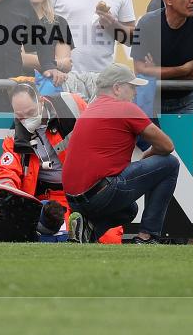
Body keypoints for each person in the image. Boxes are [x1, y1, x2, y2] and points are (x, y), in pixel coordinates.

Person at [62, 64, 179, 244]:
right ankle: (147, 236)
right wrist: (148, 154)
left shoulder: (90, 109)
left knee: (128, 210)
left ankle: (86, 229)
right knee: (170, 164)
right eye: (132, 87)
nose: (135, 93)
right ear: (117, 88)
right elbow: (167, 145)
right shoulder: (125, 108)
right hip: (100, 193)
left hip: (73, 199)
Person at [0, 84, 122, 243]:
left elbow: (100, 133)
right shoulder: (14, 137)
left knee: (108, 239)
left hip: (88, 191)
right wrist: (7, 194)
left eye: (30, 113)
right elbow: (7, 173)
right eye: (20, 116)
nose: (26, 119)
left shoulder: (70, 105)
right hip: (51, 200)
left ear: (41, 101)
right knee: (56, 239)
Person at [15, 0, 73, 75]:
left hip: (51, 86)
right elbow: (19, 58)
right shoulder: (13, 19)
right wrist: (55, 63)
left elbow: (66, 65)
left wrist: (32, 59)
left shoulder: (59, 22)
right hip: (21, 85)